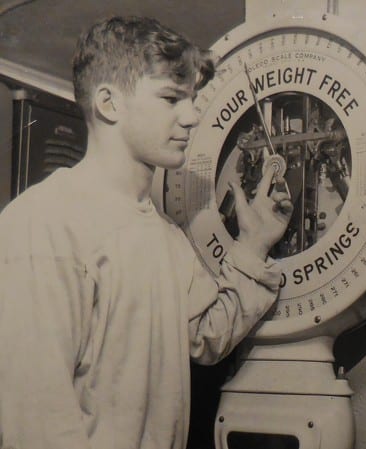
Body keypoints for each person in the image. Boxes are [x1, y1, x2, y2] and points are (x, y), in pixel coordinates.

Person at [0, 16, 292, 449]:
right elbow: (37, 424)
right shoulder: (43, 224)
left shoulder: (163, 233)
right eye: (171, 98)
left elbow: (207, 336)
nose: (192, 116)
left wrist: (255, 243)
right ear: (109, 103)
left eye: (192, 99)